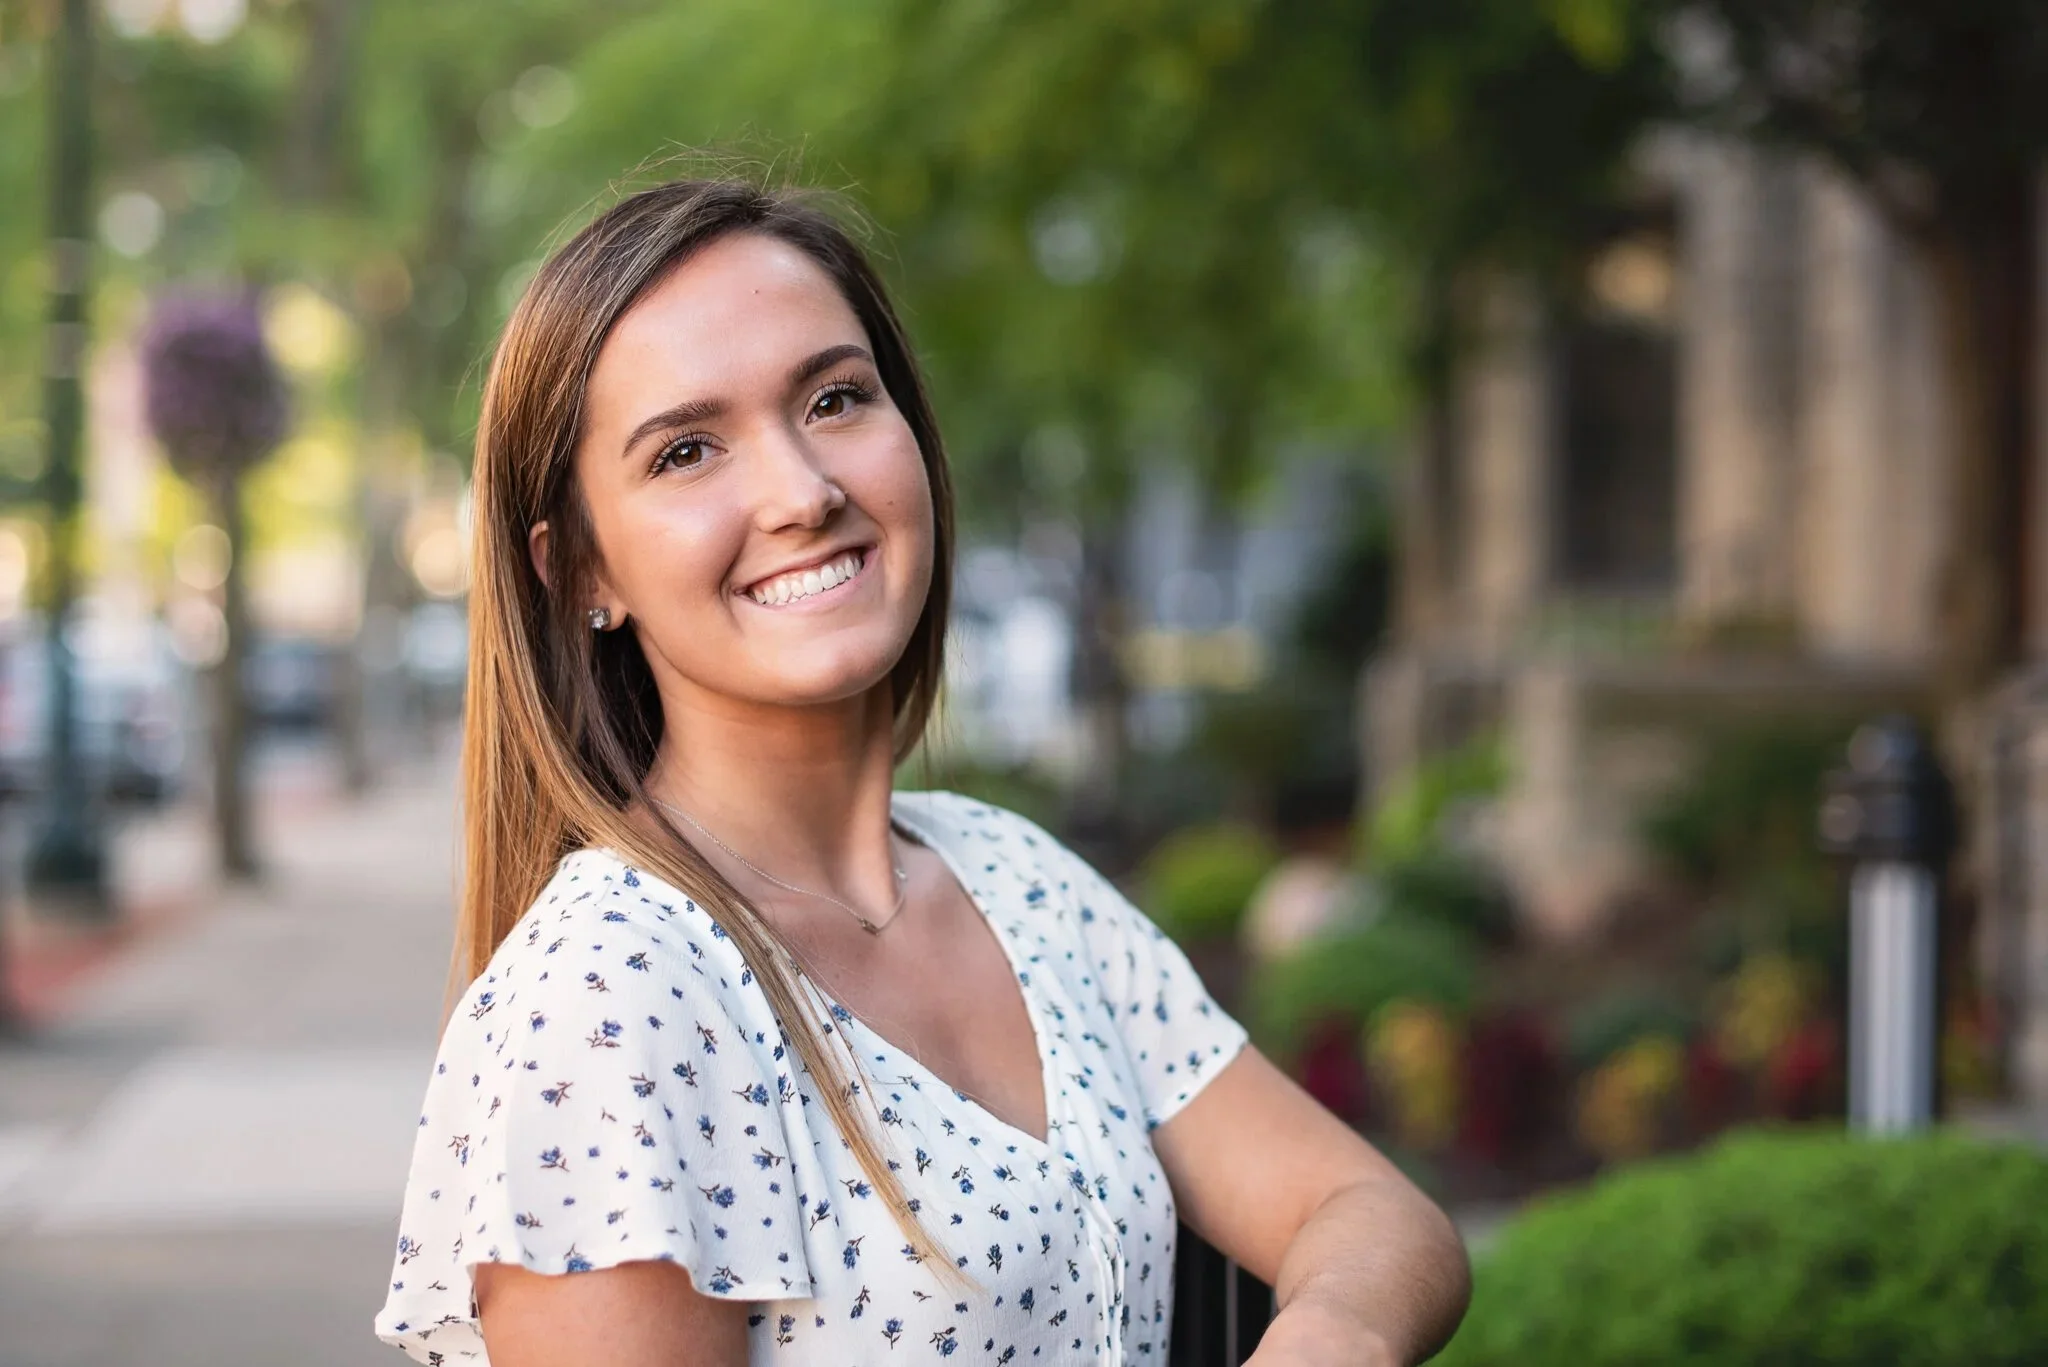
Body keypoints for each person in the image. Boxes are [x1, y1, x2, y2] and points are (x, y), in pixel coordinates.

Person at [372, 178, 1469, 1367]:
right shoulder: (612, 994)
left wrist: (1330, 1331)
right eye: (687, 450)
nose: (803, 492)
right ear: (582, 570)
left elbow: (1369, 1212)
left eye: (834, 397)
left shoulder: (1016, 880)